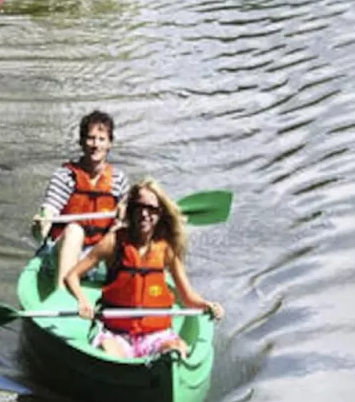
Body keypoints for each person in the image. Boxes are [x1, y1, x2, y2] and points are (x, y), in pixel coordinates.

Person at [65, 179, 224, 360]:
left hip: (156, 334)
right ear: (131, 210)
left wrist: (208, 305)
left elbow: (187, 297)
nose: (144, 214)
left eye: (151, 209)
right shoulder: (114, 241)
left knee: (176, 349)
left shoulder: (167, 249)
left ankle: (166, 370)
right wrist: (83, 301)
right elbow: (72, 276)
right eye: (139, 207)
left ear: (160, 213)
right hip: (118, 333)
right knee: (108, 351)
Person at [33, 110, 129, 287]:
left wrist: (123, 219)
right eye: (91, 138)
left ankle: (118, 293)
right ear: (81, 142)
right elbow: (50, 208)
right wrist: (43, 222)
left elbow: (126, 216)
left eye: (101, 139)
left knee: (119, 234)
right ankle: (61, 292)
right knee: (75, 231)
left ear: (110, 144)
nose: (95, 145)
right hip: (61, 251)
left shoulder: (118, 180)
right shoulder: (65, 176)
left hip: (96, 255)